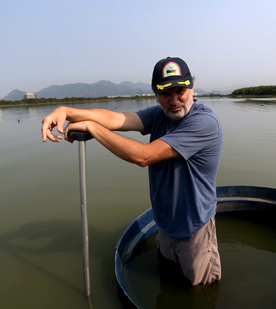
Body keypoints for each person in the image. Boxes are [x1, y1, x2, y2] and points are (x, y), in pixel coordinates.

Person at [41, 57, 223, 285]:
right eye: (166, 94)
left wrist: (91, 127)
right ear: (156, 95)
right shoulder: (159, 114)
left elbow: (144, 156)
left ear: (192, 87)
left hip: (194, 229)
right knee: (168, 278)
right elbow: (117, 118)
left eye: (181, 91)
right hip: (165, 224)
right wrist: (66, 111)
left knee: (201, 293)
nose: (174, 100)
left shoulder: (204, 123)